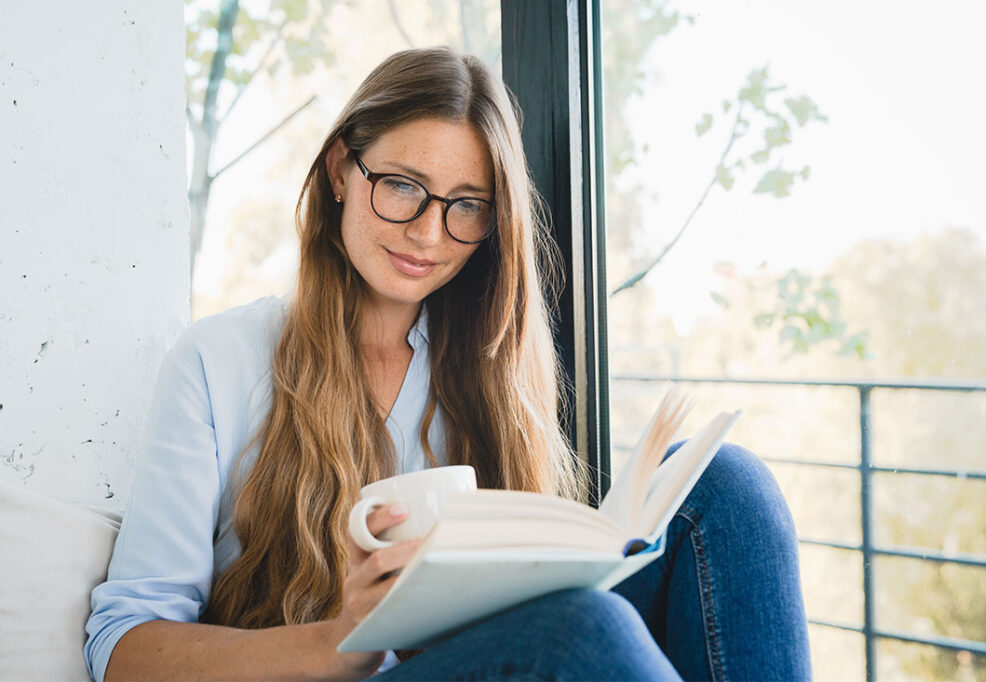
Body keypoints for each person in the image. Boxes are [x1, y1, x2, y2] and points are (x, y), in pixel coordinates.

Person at [85, 47, 811, 681]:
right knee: (583, 631)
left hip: (496, 662)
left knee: (727, 486)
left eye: (466, 205)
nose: (429, 234)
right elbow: (123, 651)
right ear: (342, 169)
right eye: (401, 186)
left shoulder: (487, 366)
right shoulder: (218, 361)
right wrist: (338, 643)